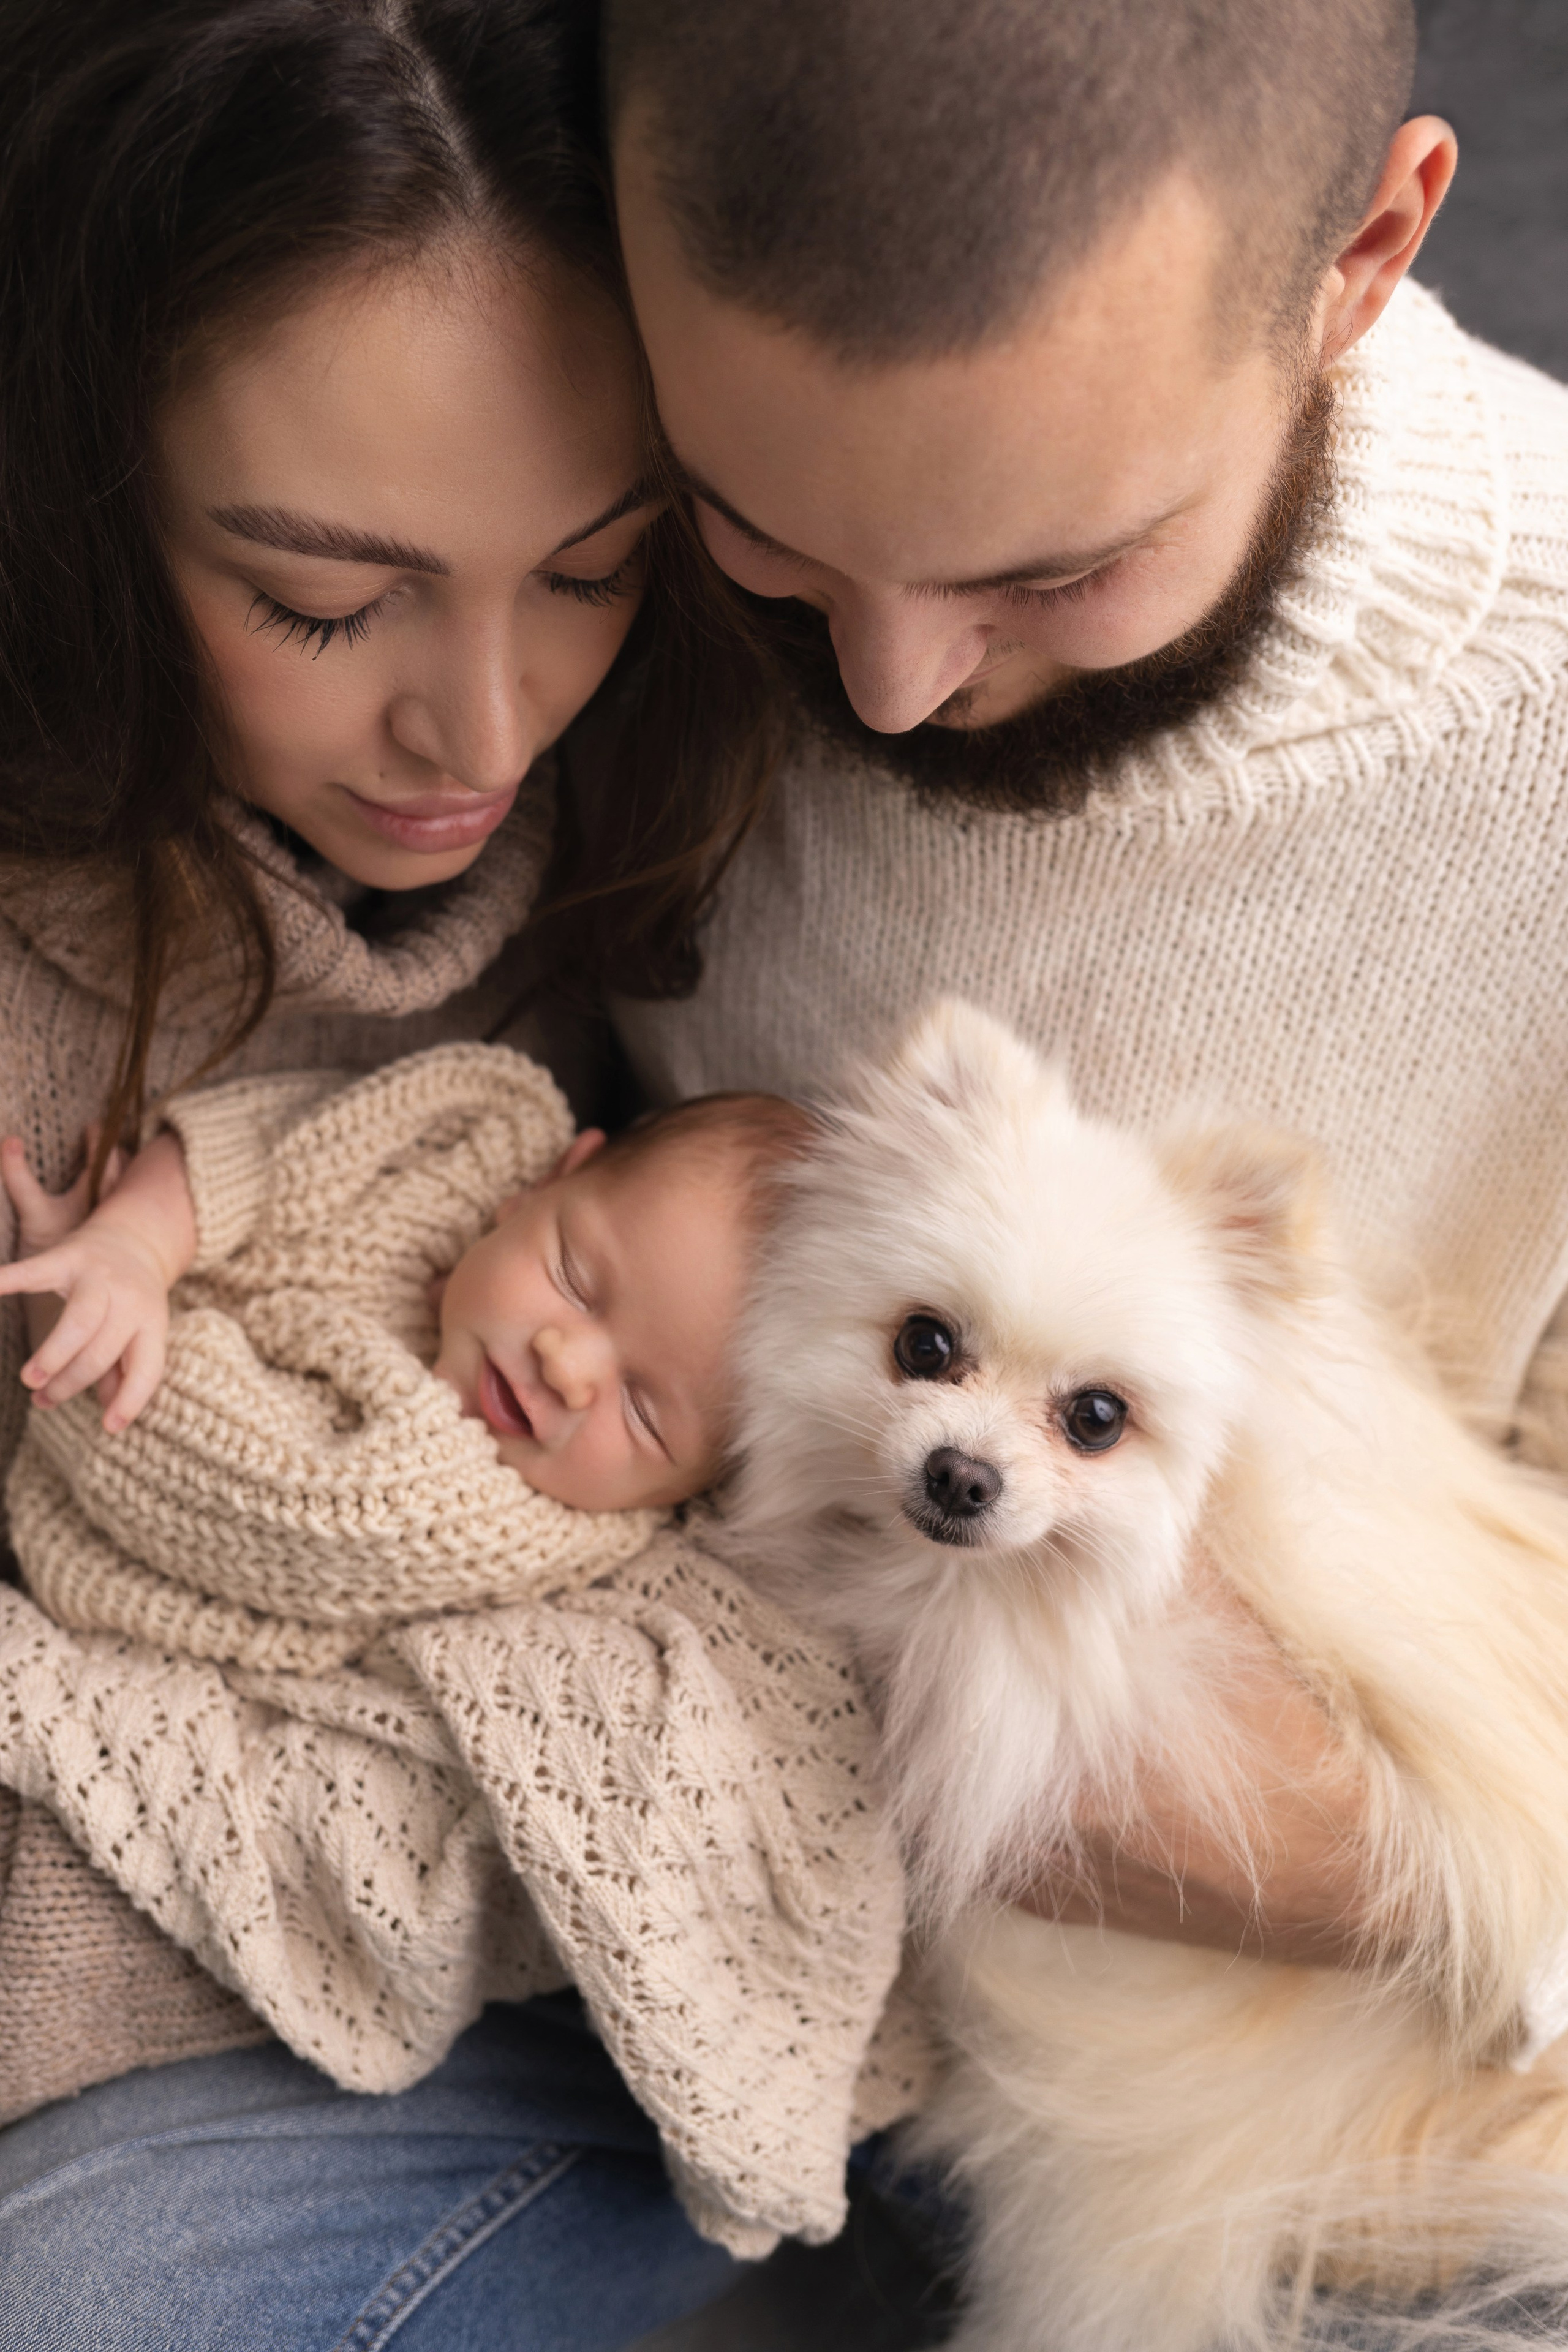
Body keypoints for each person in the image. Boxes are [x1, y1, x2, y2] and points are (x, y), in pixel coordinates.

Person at [600, 0, 1568, 2023]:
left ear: (1363, 262)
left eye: (1060, 569)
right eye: (761, 528)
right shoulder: (585, 477)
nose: (878, 691)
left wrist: (1349, 1865)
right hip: (601, 1818)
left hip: (1311, 2040)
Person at [0, 1, 783, 2345]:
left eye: (598, 563)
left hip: (559, 1935)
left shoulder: (698, 769)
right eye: (323, 601)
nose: (486, 731)